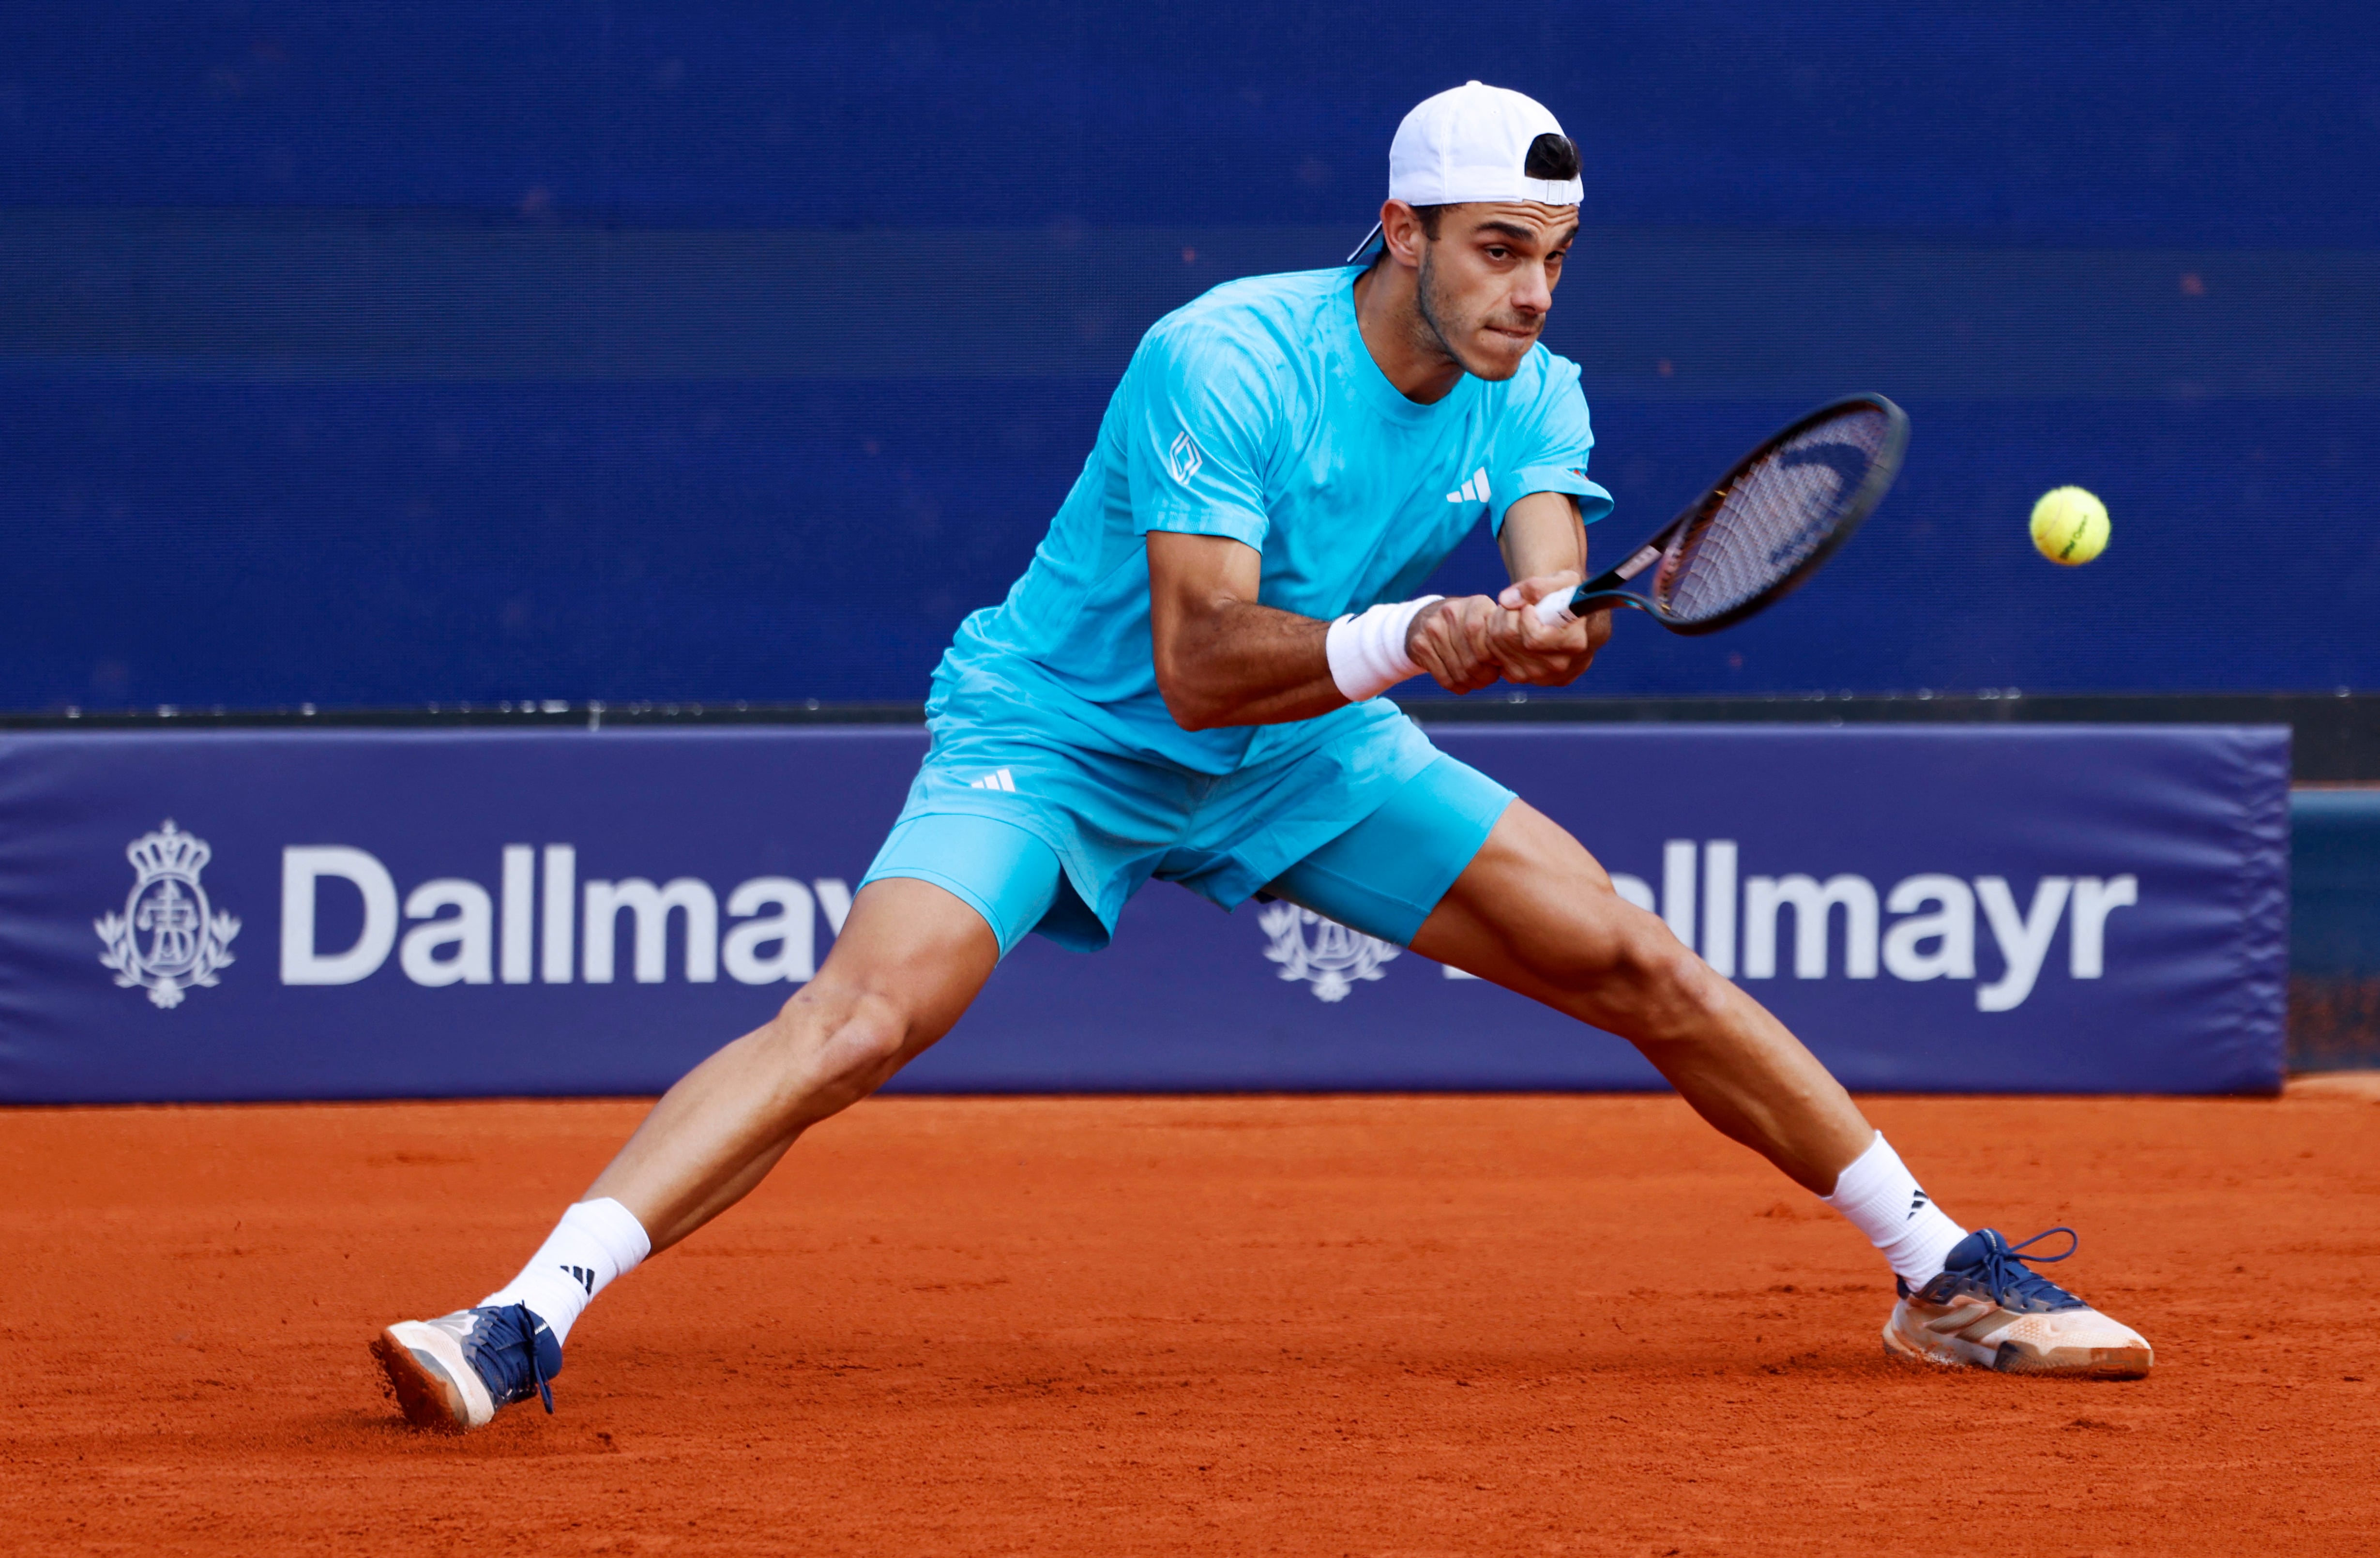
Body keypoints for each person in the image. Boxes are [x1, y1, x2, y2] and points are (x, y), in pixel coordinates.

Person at [372, 81, 2150, 1432]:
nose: (1531, 293)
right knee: (863, 1021)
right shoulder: (1220, 359)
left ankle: (1941, 1275)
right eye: (1497, 252)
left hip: (1312, 752)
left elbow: (1544, 576)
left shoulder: (1540, 385)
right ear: (1401, 231)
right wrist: (1416, 636)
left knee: (1635, 953)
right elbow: (1204, 661)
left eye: (1555, 258)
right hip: (1066, 738)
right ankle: (523, 1315)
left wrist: (1538, 622)